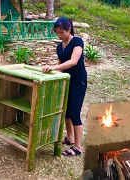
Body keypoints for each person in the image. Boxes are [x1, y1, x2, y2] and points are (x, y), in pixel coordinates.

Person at [42, 16, 87, 157]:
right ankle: (70, 138)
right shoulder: (59, 47)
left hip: (78, 81)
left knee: (75, 113)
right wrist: (50, 72)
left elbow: (73, 62)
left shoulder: (77, 42)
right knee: (66, 111)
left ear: (69, 30)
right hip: (66, 80)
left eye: (61, 32)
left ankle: (78, 147)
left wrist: (54, 67)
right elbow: (61, 66)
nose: (59, 35)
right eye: (57, 33)